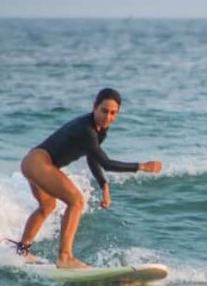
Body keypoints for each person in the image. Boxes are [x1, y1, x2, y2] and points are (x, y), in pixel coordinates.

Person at [11, 88, 162, 269]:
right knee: (76, 201)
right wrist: (142, 166)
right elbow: (106, 162)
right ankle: (65, 257)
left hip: (32, 162)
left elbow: (93, 158)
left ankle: (22, 251)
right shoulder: (87, 130)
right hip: (39, 162)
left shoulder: (100, 130)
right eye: (104, 111)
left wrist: (103, 184)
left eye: (113, 113)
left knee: (47, 206)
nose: (108, 117)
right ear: (95, 107)